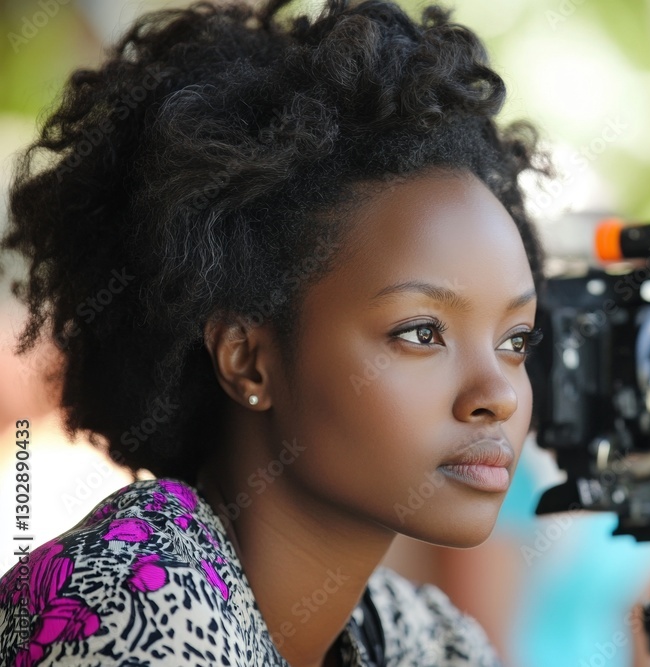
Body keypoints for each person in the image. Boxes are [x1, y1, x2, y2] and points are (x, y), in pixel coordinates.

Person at [0, 0, 550, 665]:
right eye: (421, 331)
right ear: (248, 359)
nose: (500, 395)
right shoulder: (134, 601)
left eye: (515, 340)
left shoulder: (411, 633)